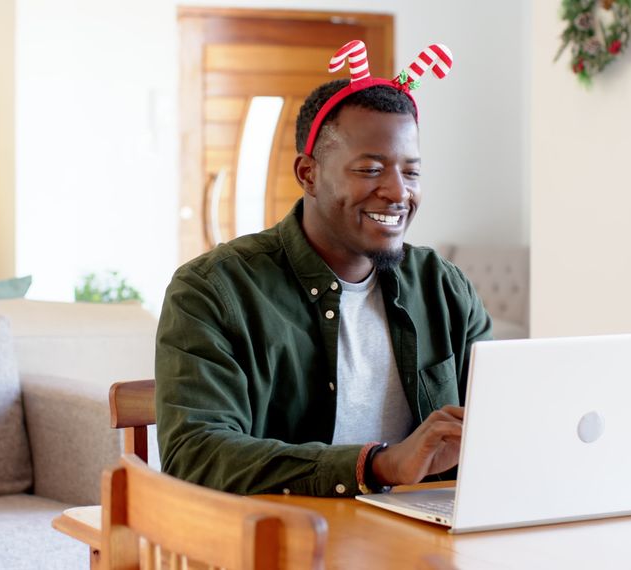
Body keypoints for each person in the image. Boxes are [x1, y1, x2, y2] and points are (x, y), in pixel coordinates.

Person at [155, 42, 492, 497]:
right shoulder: (213, 291)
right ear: (308, 173)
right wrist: (377, 465)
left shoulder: (441, 285)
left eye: (411, 173)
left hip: (419, 540)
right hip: (279, 542)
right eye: (371, 169)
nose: (398, 192)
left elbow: (500, 420)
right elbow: (195, 454)